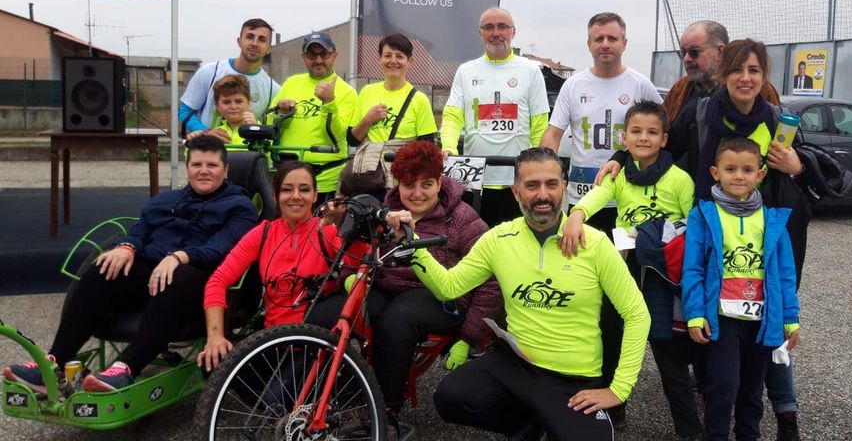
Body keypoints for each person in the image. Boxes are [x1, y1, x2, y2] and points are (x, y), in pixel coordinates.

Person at [600, 39, 812, 440]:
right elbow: (659, 144)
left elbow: (812, 177)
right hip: (711, 235)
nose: (745, 78)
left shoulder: (777, 119)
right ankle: (713, 403)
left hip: (762, 238)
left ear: (764, 76)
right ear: (724, 74)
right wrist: (619, 158)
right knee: (712, 327)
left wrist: (796, 164)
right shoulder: (700, 113)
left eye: (754, 70)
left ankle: (786, 411)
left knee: (769, 318)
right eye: (738, 70)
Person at [404, 147, 651, 440]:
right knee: (450, 397)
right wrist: (411, 242)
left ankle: (547, 419)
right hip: (516, 366)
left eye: (551, 184)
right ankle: (528, 425)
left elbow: (637, 314)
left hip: (574, 379)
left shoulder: (595, 244)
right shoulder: (498, 239)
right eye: (532, 185)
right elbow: (449, 286)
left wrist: (618, 389)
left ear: (564, 187)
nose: (543, 195)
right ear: (516, 192)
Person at [4, 136, 258, 392]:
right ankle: (55, 363)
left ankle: (125, 369)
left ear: (226, 170)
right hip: (152, 276)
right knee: (104, 266)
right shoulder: (166, 200)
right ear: (188, 168)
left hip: (199, 287)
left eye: (212, 165)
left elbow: (220, 249)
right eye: (197, 165)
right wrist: (127, 247)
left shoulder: (240, 207)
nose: (203, 171)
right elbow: (139, 230)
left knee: (181, 276)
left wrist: (178, 257)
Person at [305, 141, 501, 434]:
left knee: (398, 319)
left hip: (442, 298)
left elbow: (491, 281)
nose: (417, 193)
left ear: (440, 183)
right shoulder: (385, 211)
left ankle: (386, 411)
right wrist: (348, 277)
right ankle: (325, 396)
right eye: (409, 185)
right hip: (386, 287)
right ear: (397, 184)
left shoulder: (462, 219)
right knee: (328, 311)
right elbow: (355, 251)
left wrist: (470, 337)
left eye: (427, 184)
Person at [560, 100, 700, 440]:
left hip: (661, 277)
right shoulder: (618, 176)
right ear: (624, 138)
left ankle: (690, 429)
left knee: (667, 353)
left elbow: (693, 228)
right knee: (612, 339)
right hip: (624, 270)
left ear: (664, 139)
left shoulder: (679, 179)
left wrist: (658, 237)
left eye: (652, 132)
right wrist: (576, 215)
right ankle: (614, 411)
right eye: (636, 131)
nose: (643, 138)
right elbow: (595, 198)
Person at [683, 137, 800, 441]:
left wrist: (790, 318)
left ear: (760, 174)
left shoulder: (772, 219)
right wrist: (695, 313)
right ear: (715, 172)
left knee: (751, 391)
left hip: (761, 321)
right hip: (721, 319)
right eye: (730, 169)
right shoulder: (703, 215)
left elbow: (785, 274)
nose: (738, 176)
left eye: (747, 170)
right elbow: (692, 268)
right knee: (723, 386)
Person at [198, 161, 349, 371]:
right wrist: (215, 336)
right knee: (212, 366)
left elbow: (359, 268)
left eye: (304, 189)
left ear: (315, 196)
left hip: (314, 341)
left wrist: (344, 227)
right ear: (275, 196)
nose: (296, 196)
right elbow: (217, 281)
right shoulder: (263, 233)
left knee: (278, 392)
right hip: (273, 340)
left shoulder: (328, 231)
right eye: (287, 189)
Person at [541, 12, 662, 234]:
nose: (605, 44)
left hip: (628, 199)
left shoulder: (641, 85)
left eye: (612, 38)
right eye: (598, 39)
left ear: (624, 43)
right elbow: (554, 133)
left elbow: (663, 131)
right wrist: (544, 172)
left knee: (623, 257)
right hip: (582, 197)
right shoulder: (573, 85)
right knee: (579, 254)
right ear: (589, 44)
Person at [440, 7, 549, 227]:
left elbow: (539, 122)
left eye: (502, 27)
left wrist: (539, 163)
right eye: (489, 27)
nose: (496, 33)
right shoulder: (466, 71)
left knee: (515, 242)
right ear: (480, 33)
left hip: (516, 180)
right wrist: (449, 146)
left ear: (513, 32)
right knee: (474, 241)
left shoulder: (530, 70)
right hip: (475, 180)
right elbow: (452, 115)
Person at [272, 30, 357, 203]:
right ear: (303, 57)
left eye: (324, 54)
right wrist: (282, 114)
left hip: (325, 181)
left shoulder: (348, 92)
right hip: (289, 177)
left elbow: (337, 135)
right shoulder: (291, 83)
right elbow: (272, 127)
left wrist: (329, 102)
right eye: (312, 54)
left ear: (334, 55)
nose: (318, 60)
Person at [180, 18, 280, 132]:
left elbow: (272, 130)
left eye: (262, 39)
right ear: (239, 41)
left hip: (245, 144)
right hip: (207, 143)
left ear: (269, 49)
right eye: (250, 37)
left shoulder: (273, 90)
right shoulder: (209, 72)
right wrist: (207, 133)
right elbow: (185, 111)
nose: (254, 43)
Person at [348, 33, 437, 145]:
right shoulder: (366, 92)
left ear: (410, 62)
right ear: (380, 59)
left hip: (404, 157)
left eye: (399, 56)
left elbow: (428, 145)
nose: (393, 61)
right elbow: (352, 141)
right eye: (387, 56)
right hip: (370, 156)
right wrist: (368, 119)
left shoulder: (420, 99)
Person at [186, 74, 257, 145]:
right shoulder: (213, 135)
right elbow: (194, 152)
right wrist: (194, 142)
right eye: (226, 102)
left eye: (238, 101)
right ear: (217, 106)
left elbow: (263, 151)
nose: (233, 106)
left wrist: (257, 133)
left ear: (249, 102)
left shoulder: (262, 131)